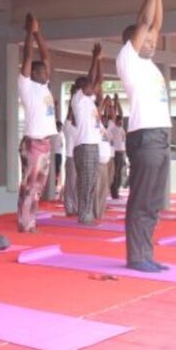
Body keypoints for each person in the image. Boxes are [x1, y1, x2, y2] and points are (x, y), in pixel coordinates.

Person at [116, 0, 171, 273]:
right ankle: (136, 256)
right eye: (146, 39)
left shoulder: (148, 64)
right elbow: (145, 20)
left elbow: (155, 23)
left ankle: (145, 253)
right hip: (146, 136)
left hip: (161, 137)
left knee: (153, 201)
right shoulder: (129, 60)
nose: (152, 41)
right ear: (133, 42)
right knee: (141, 198)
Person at [16, 13, 56, 232]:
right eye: (40, 71)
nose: (44, 73)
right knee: (29, 185)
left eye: (45, 71)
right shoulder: (27, 86)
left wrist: (37, 31)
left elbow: (46, 55)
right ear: (32, 73)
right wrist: (29, 35)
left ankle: (30, 221)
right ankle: (25, 223)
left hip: (45, 143)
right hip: (33, 142)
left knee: (38, 187)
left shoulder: (44, 87)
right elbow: (28, 56)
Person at [71, 44, 104, 225]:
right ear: (81, 88)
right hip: (85, 145)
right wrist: (94, 58)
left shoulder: (89, 101)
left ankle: (87, 213)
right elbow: (92, 80)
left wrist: (98, 61)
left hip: (92, 145)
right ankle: (84, 215)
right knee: (86, 182)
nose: (93, 88)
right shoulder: (79, 99)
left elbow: (98, 80)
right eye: (88, 87)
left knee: (91, 182)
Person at [94, 93, 114, 221]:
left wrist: (110, 105)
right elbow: (98, 113)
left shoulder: (108, 128)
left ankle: (99, 213)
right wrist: (102, 104)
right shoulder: (97, 125)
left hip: (105, 163)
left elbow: (112, 116)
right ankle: (95, 212)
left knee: (104, 190)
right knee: (97, 189)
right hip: (98, 161)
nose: (105, 120)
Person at [109, 94, 127, 198]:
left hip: (122, 153)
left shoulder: (121, 128)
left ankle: (116, 190)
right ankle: (114, 192)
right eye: (118, 120)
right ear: (116, 121)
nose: (120, 121)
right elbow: (116, 114)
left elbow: (121, 113)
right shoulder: (114, 128)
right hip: (116, 154)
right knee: (116, 173)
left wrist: (118, 101)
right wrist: (115, 102)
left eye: (121, 120)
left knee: (120, 173)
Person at [62, 108, 79, 215]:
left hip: (79, 158)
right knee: (70, 184)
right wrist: (72, 107)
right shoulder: (67, 127)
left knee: (77, 185)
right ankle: (69, 208)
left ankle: (76, 207)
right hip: (70, 158)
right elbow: (68, 115)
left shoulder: (80, 128)